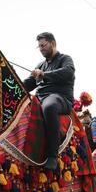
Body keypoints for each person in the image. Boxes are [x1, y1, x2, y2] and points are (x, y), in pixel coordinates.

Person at [23, 32, 75, 170]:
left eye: (43, 45)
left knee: (49, 106)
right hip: (39, 98)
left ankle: (52, 155)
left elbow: (68, 73)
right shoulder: (40, 65)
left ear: (53, 43)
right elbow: (27, 84)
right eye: (39, 47)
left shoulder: (65, 59)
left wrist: (44, 75)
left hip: (60, 98)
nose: (41, 49)